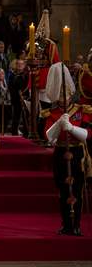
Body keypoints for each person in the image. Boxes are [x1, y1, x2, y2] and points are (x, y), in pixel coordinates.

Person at [43, 63, 91, 236]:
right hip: (60, 152)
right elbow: (49, 137)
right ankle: (66, 223)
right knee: (63, 190)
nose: (64, 97)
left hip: (77, 153)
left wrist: (71, 128)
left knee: (76, 189)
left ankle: (76, 224)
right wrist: (59, 124)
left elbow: (87, 134)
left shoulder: (81, 110)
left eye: (66, 93)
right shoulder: (52, 112)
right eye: (60, 94)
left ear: (71, 92)